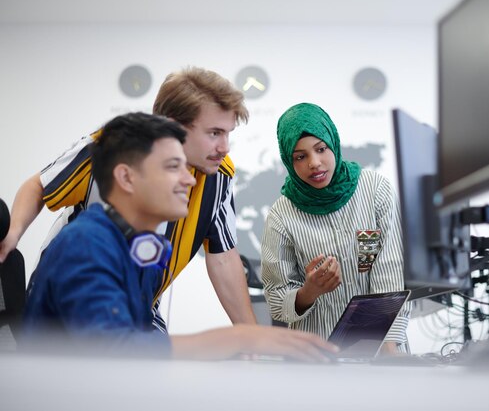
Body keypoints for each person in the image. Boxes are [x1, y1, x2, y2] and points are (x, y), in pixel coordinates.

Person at [21, 112, 337, 361]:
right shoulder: (87, 245)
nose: (190, 179)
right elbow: (116, 353)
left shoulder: (142, 250)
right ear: (127, 177)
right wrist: (239, 339)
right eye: (174, 167)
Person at [0, 67, 256, 330]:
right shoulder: (109, 149)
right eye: (214, 133)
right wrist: (13, 234)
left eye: (228, 133)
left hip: (137, 303)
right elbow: (40, 186)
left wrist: (250, 336)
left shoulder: (219, 173)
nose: (225, 148)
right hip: (67, 302)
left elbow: (223, 256)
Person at [261, 103, 408, 354]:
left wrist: (389, 351)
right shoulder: (281, 215)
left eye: (321, 149)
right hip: (317, 357)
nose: (315, 163)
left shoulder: (374, 191)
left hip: (383, 349)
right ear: (289, 160)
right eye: (300, 156)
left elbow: (389, 270)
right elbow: (276, 299)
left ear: (334, 144)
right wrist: (308, 292)